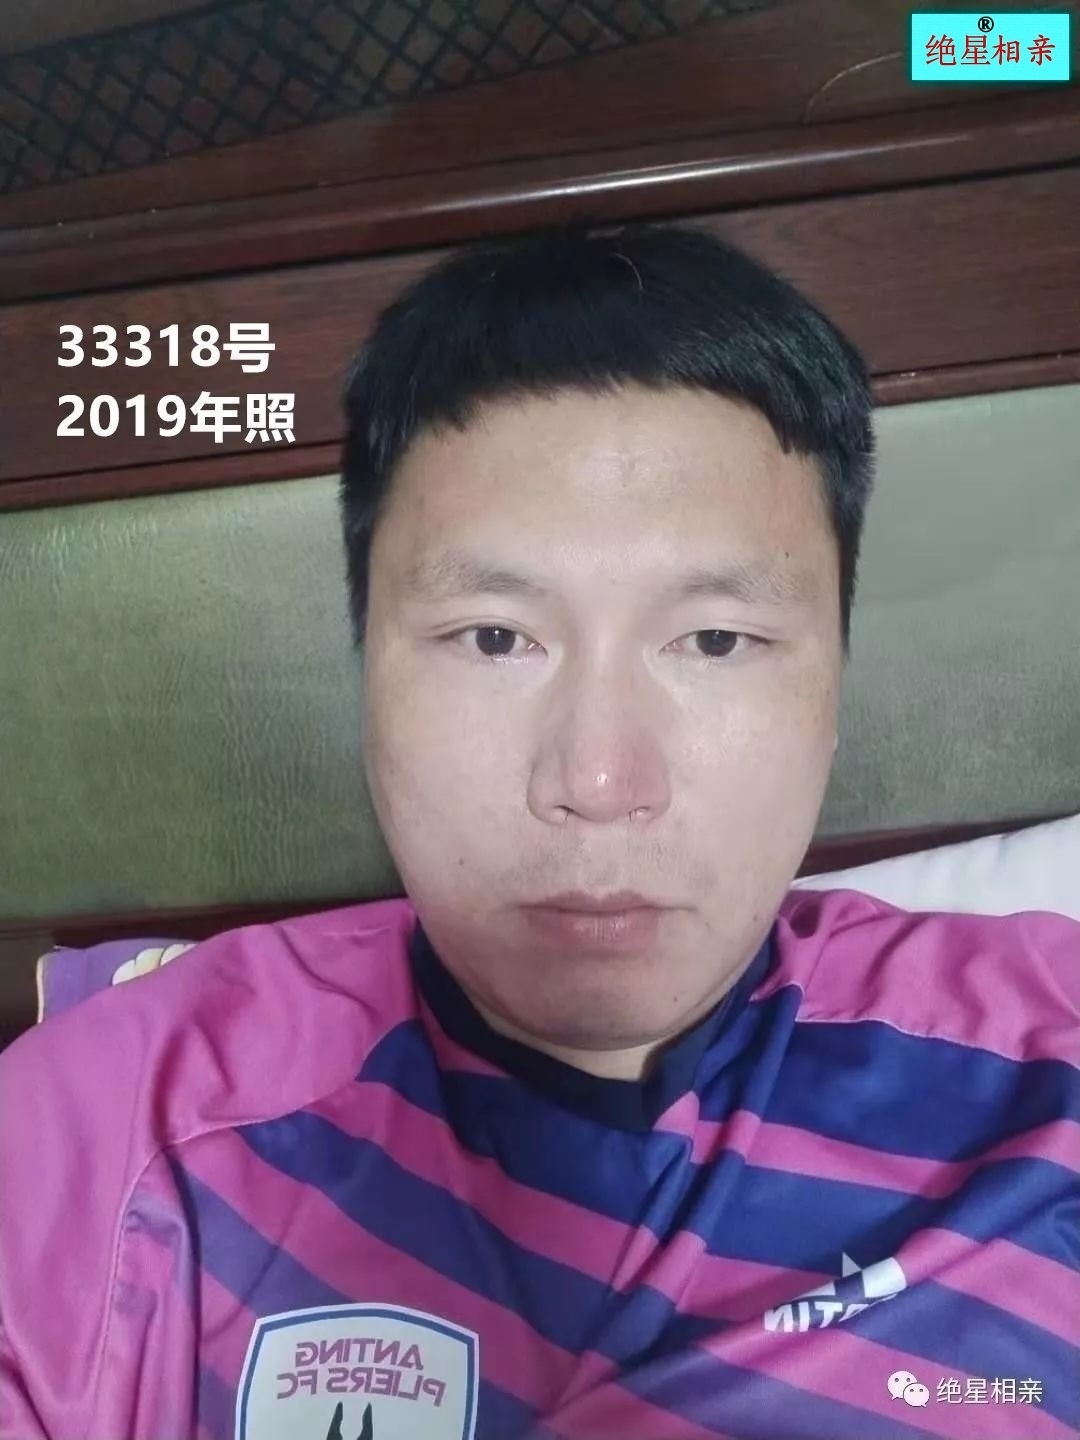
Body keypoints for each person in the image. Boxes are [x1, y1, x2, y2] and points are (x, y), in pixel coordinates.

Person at [1, 220, 1077, 1440]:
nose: (600, 781)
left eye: (715, 640)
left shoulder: (1047, 1079)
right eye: (495, 638)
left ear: (834, 686)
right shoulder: (114, 1138)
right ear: (365, 677)